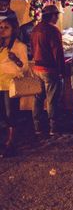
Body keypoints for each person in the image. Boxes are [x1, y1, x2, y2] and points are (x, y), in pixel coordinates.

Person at [31, 5, 64, 135]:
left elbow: (33, 49)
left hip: (37, 68)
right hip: (50, 69)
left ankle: (37, 127)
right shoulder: (53, 30)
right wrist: (61, 70)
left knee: (38, 98)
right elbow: (57, 52)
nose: (57, 18)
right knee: (52, 99)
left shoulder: (35, 29)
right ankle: (53, 127)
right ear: (51, 16)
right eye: (56, 15)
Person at [0, 17, 28, 157]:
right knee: (2, 115)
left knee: (11, 114)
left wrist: (16, 60)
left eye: (6, 27)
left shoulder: (19, 46)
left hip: (11, 85)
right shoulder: (1, 46)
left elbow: (25, 68)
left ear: (13, 30)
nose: (2, 30)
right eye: (1, 27)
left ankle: (11, 142)